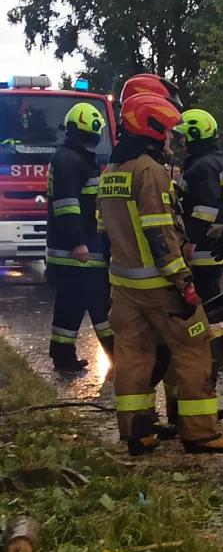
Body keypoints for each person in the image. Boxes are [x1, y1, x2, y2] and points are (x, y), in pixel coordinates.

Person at [98, 90, 223, 455]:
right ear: (151, 130)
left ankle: (138, 432)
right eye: (165, 133)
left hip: (124, 287)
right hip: (161, 286)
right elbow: (160, 233)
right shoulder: (151, 172)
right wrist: (183, 282)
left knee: (133, 355)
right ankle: (201, 433)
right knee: (195, 347)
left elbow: (104, 232)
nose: (169, 141)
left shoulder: (111, 172)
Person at [46, 102, 113, 371]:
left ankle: (62, 357)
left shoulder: (73, 158)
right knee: (100, 302)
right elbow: (67, 204)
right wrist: (78, 242)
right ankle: (118, 355)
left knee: (70, 306)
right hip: (79, 250)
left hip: (75, 248)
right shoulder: (69, 160)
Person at [171, 109, 223, 373]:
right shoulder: (221, 163)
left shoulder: (201, 166)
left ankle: (212, 353)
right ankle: (217, 350)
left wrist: (190, 241)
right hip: (218, 243)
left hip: (202, 245)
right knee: (213, 297)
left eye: (184, 136)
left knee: (204, 299)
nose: (182, 142)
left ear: (195, 135)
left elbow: (204, 209)